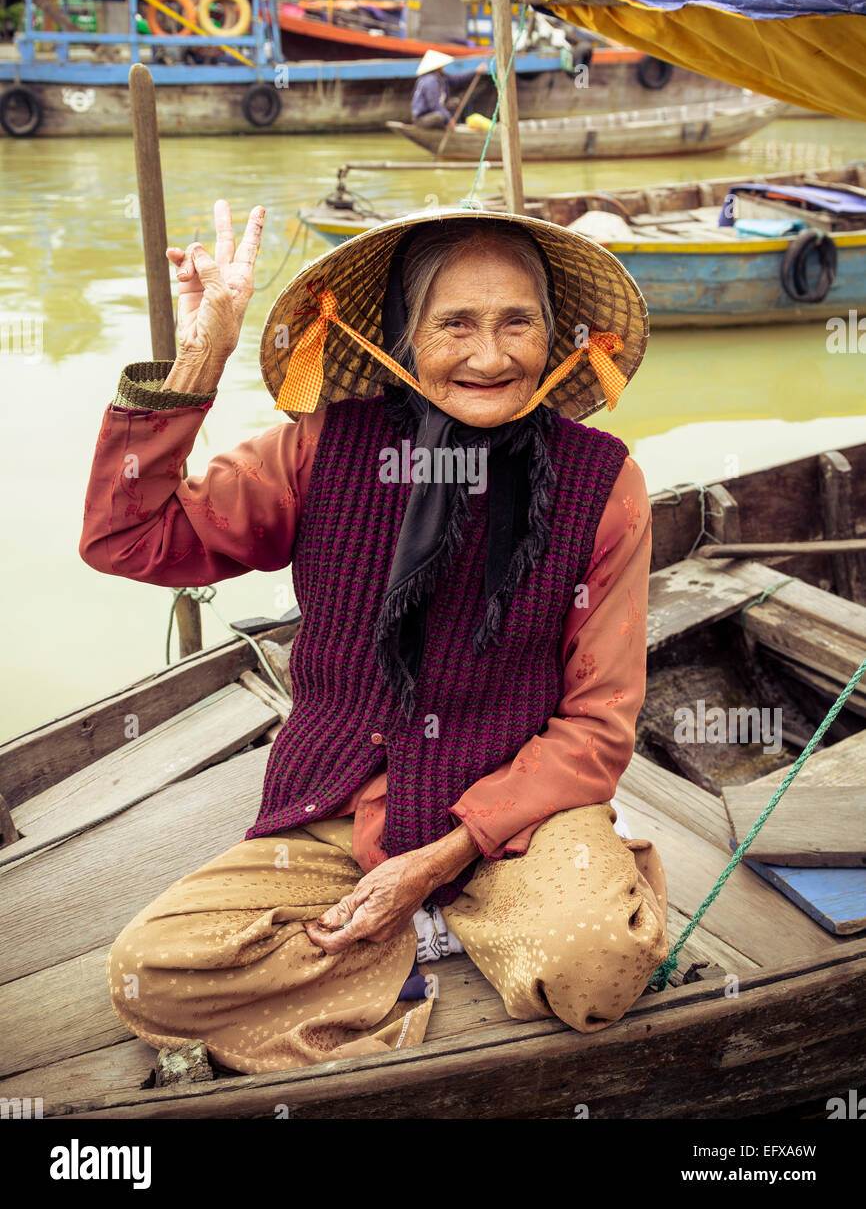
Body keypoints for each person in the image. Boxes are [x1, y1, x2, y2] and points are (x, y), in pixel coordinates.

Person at [80, 199, 667, 1074]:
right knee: (144, 978)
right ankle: (424, 952)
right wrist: (204, 354)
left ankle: (411, 928)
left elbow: (597, 726)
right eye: (454, 323)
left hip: (513, 820)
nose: (490, 355)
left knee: (598, 961)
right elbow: (130, 540)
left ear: (557, 338)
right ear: (399, 332)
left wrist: (437, 861)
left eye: (519, 323)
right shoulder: (321, 449)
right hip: (337, 805)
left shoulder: (603, 483)